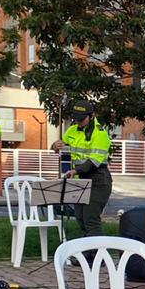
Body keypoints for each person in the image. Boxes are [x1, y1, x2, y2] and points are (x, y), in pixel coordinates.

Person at [51, 100, 112, 239]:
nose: (78, 122)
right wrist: (54, 146)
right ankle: (87, 255)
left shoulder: (100, 134)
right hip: (79, 180)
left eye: (82, 119)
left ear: (92, 116)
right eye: (76, 119)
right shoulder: (72, 130)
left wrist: (75, 171)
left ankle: (98, 256)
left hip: (98, 180)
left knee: (91, 219)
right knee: (80, 219)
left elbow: (93, 162)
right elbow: (60, 146)